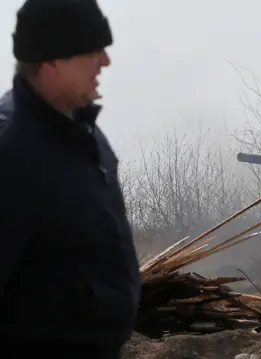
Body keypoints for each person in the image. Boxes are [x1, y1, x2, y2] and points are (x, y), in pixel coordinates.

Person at [0, 0, 141, 358]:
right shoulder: (11, 151)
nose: (105, 61)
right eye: (92, 51)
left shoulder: (85, 135)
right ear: (50, 62)